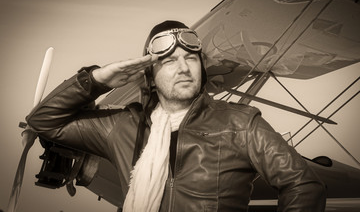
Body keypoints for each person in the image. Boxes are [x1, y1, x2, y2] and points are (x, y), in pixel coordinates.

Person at [26, 20, 326, 211]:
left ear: (201, 67)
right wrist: (98, 78)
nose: (183, 68)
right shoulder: (121, 126)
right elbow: (43, 121)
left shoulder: (241, 122)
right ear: (151, 77)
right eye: (168, 61)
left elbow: (302, 185)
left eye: (191, 59)